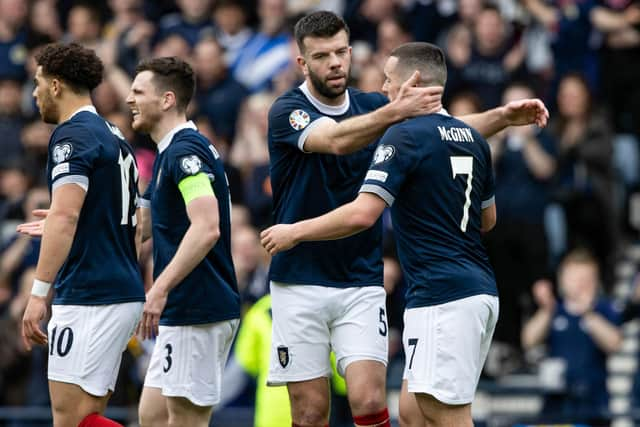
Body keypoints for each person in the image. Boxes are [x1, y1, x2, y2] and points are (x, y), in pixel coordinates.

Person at [264, 11, 547, 427]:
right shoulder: (289, 110)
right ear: (303, 64)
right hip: (300, 276)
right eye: (323, 56)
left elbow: (437, 131)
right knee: (310, 412)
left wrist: (501, 118)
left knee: (370, 398)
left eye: (341, 51)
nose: (337, 62)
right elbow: (338, 140)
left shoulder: (376, 107)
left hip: (361, 278)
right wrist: (395, 111)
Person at [19, 42, 145, 427]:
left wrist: (38, 295)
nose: (34, 93)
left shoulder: (71, 137)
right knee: (86, 416)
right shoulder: (112, 132)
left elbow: (67, 218)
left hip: (91, 294)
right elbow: (134, 219)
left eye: (38, 82)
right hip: (118, 288)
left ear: (56, 85)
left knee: (69, 419)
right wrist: (64, 221)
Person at [126, 56, 240, 427]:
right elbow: (139, 227)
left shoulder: (185, 152)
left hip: (198, 310)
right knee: (153, 416)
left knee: (185, 421)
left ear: (167, 100)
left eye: (138, 91)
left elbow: (206, 227)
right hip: (184, 311)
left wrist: (158, 288)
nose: (129, 99)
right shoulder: (167, 154)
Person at [521, 249, 622, 424]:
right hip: (556, 404)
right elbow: (528, 340)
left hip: (593, 405)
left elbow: (614, 343)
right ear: (562, 279)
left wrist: (588, 314)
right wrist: (546, 309)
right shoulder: (554, 309)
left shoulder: (603, 308)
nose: (580, 284)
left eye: (586, 279)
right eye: (575, 277)